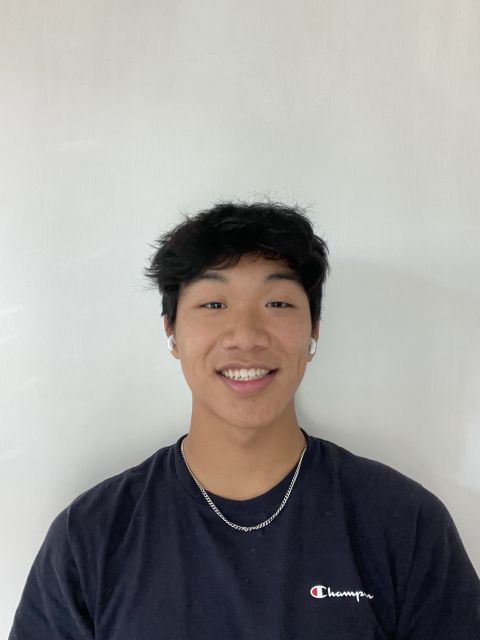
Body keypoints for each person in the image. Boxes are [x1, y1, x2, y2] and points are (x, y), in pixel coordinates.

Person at [9, 201, 480, 639]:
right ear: (172, 332)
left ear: (313, 331)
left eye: (278, 303)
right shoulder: (91, 536)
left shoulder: (403, 524)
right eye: (214, 304)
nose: (246, 336)